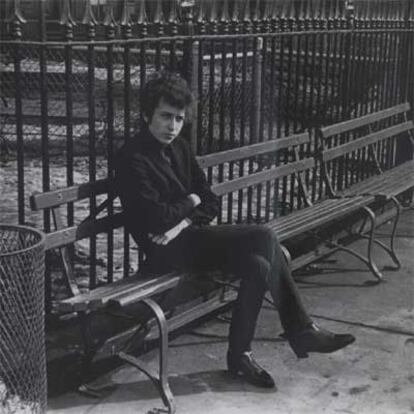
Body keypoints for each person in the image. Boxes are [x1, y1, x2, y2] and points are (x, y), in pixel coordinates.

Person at [115, 70, 355, 389]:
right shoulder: (132, 157)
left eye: (178, 118)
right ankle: (301, 330)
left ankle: (240, 356)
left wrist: (183, 219)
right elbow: (157, 218)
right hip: (163, 253)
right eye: (164, 116)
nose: (172, 126)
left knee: (259, 264)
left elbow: (211, 201)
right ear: (147, 114)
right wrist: (191, 200)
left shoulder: (181, 148)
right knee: (264, 236)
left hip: (188, 240)